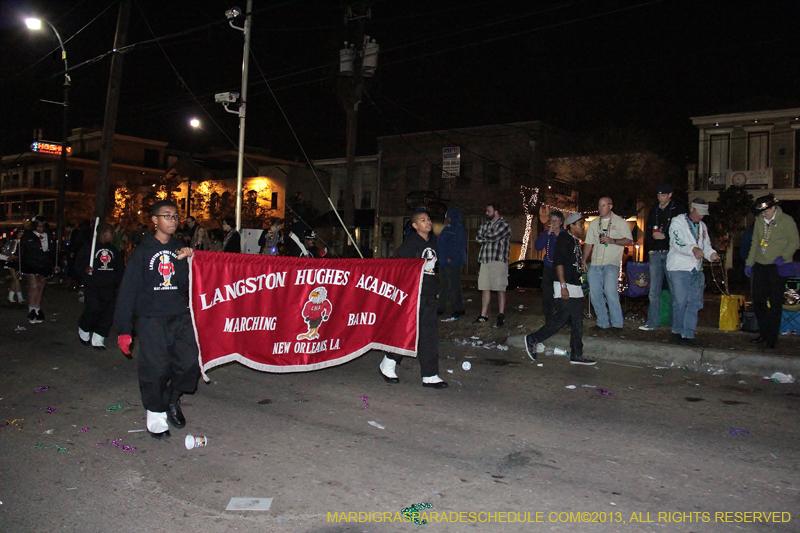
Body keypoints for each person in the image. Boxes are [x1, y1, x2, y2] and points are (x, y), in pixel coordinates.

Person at [114, 200, 199, 440]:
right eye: (167, 216)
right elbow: (128, 290)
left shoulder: (180, 247)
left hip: (180, 316)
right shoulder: (143, 251)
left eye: (175, 216)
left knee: (190, 362)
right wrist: (124, 328)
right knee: (156, 368)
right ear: (155, 220)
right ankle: (156, 413)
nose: (173, 221)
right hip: (152, 319)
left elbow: (187, 285)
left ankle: (172, 398)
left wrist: (190, 261)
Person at [379, 210, 448, 389]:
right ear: (415, 225)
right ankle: (389, 362)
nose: (428, 222)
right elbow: (398, 265)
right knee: (407, 330)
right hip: (413, 295)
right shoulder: (410, 244)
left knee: (428, 333)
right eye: (423, 220)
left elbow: (434, 269)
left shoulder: (433, 243)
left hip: (429, 293)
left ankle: (430, 375)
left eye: (429, 219)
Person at [524, 213, 595, 365]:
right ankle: (533, 339)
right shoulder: (564, 239)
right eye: (580, 224)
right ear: (571, 225)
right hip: (565, 284)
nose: (583, 227)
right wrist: (563, 285)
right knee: (561, 318)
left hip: (574, 284)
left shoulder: (574, 240)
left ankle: (576, 354)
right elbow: (559, 263)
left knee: (577, 320)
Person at [745, 194, 800, 349]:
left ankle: (772, 337)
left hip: (778, 266)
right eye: (762, 212)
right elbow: (755, 242)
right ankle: (763, 332)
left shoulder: (787, 221)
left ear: (774, 207)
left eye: (766, 211)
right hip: (761, 265)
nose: (764, 214)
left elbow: (794, 241)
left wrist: (784, 256)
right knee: (758, 301)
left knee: (775, 302)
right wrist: (749, 263)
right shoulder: (759, 222)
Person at [666, 199, 719, 346]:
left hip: (696, 269)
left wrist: (711, 255)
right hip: (679, 268)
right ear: (691, 209)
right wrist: (693, 250)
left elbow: (706, 246)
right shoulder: (678, 222)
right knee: (680, 301)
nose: (701, 217)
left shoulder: (702, 227)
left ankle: (688, 333)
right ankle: (677, 331)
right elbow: (677, 242)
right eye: (699, 213)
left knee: (695, 302)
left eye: (703, 214)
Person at [582, 197, 633, 332]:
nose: (600, 208)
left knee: (610, 292)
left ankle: (617, 324)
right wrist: (584, 260)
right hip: (596, 263)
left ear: (610, 206)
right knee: (594, 294)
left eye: (603, 205)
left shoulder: (620, 222)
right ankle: (602, 322)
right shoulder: (593, 223)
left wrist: (613, 240)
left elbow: (629, 241)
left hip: (611, 263)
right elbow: (588, 243)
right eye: (599, 205)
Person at [640, 184, 685, 331]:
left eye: (663, 196)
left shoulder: (678, 210)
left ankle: (676, 323)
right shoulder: (654, 209)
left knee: (674, 289)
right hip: (656, 253)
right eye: (659, 196)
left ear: (670, 194)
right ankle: (652, 322)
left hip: (671, 253)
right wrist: (650, 249)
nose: (661, 199)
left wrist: (665, 237)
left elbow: (681, 233)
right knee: (654, 290)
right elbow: (648, 229)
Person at [76, 223, 124, 349]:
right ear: (104, 233)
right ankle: (84, 328)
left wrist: (117, 279)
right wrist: (84, 270)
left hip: (108, 286)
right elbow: (77, 265)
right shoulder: (89, 248)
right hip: (92, 285)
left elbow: (119, 267)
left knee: (108, 311)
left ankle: (99, 336)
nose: (113, 236)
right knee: (93, 308)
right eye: (111, 233)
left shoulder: (114, 251)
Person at [475, 202, 511, 327]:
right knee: (485, 287)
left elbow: (493, 236)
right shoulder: (484, 224)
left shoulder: (504, 225)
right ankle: (483, 315)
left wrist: (486, 236)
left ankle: (501, 314)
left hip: (498, 259)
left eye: (488, 211)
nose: (486, 213)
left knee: (500, 288)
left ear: (496, 211)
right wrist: (487, 236)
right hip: (485, 259)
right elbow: (478, 238)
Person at [19, 217, 58, 324]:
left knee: (41, 287)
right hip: (31, 264)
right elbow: (22, 251)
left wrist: (54, 264)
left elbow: (53, 252)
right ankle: (31, 309)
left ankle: (37, 308)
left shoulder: (49, 237)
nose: (41, 228)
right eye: (39, 226)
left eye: (43, 226)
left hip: (44, 265)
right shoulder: (28, 236)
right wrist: (20, 267)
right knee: (34, 286)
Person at [437, 208, 467, 320]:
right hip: (444, 262)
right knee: (444, 285)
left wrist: (451, 257)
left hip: (453, 262)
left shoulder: (458, 229)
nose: (446, 219)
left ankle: (457, 308)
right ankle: (441, 307)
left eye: (448, 217)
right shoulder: (446, 229)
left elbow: (459, 245)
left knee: (454, 286)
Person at [533, 210, 564, 317]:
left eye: (556, 220)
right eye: (551, 220)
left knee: (561, 292)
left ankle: (563, 314)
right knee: (547, 292)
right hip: (549, 266)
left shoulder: (565, 234)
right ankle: (548, 315)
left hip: (562, 268)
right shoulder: (547, 234)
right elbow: (538, 246)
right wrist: (547, 234)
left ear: (561, 222)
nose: (553, 223)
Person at [2, 229, 24, 303]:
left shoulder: (23, 243)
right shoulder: (14, 242)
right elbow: (9, 252)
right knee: (16, 279)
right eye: (20, 234)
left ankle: (10, 295)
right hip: (13, 263)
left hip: (19, 263)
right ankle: (20, 297)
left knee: (16, 280)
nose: (21, 236)